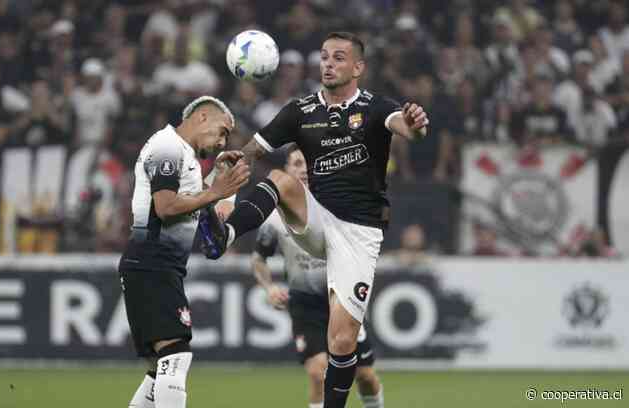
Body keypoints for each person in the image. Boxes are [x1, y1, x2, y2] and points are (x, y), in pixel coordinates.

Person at [198, 32, 429, 408]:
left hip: (359, 235)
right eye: (324, 57)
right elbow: (255, 151)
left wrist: (416, 124)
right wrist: (229, 164)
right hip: (317, 220)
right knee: (280, 180)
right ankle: (223, 236)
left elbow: (409, 129)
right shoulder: (300, 111)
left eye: (339, 58)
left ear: (358, 67)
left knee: (341, 343)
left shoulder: (374, 107)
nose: (328, 64)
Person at [119, 95, 249, 408]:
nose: (221, 142)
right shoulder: (168, 147)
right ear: (202, 116)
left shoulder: (182, 155)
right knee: (175, 356)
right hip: (153, 264)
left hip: (151, 265)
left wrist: (215, 179)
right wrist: (217, 191)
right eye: (221, 131)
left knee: (158, 369)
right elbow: (165, 207)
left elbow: (188, 202)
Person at [251, 146, 384, 408]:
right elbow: (258, 259)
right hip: (305, 304)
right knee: (318, 372)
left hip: (341, 299)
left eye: (307, 162)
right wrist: (268, 287)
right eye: (297, 163)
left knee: (365, 376)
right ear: (286, 171)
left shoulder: (338, 207)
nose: (303, 168)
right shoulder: (274, 219)